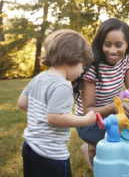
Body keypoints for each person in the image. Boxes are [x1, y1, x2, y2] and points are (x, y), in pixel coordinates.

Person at [73, 18, 129, 169]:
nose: (112, 50)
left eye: (118, 45)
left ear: (127, 44)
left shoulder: (125, 62)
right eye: (107, 44)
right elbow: (88, 111)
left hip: (114, 114)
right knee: (100, 146)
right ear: (101, 44)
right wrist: (113, 107)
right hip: (89, 119)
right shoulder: (92, 67)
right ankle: (92, 156)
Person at [17, 29, 97, 177]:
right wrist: (85, 120)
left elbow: (22, 103)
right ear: (71, 59)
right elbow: (55, 118)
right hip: (50, 154)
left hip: (30, 147)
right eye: (82, 65)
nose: (82, 71)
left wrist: (42, 112)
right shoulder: (63, 85)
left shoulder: (40, 77)